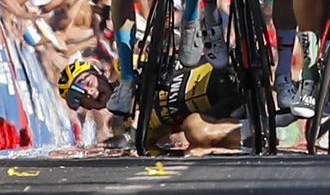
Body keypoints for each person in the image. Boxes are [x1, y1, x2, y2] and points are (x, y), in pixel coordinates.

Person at [57, 59, 243, 153]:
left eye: (87, 83)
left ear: (98, 73)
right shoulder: (123, 125)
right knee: (193, 129)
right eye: (82, 98)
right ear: (87, 107)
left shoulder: (124, 66)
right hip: (224, 110)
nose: (89, 93)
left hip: (219, 72)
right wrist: (89, 150)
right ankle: (261, 133)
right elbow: (140, 144)